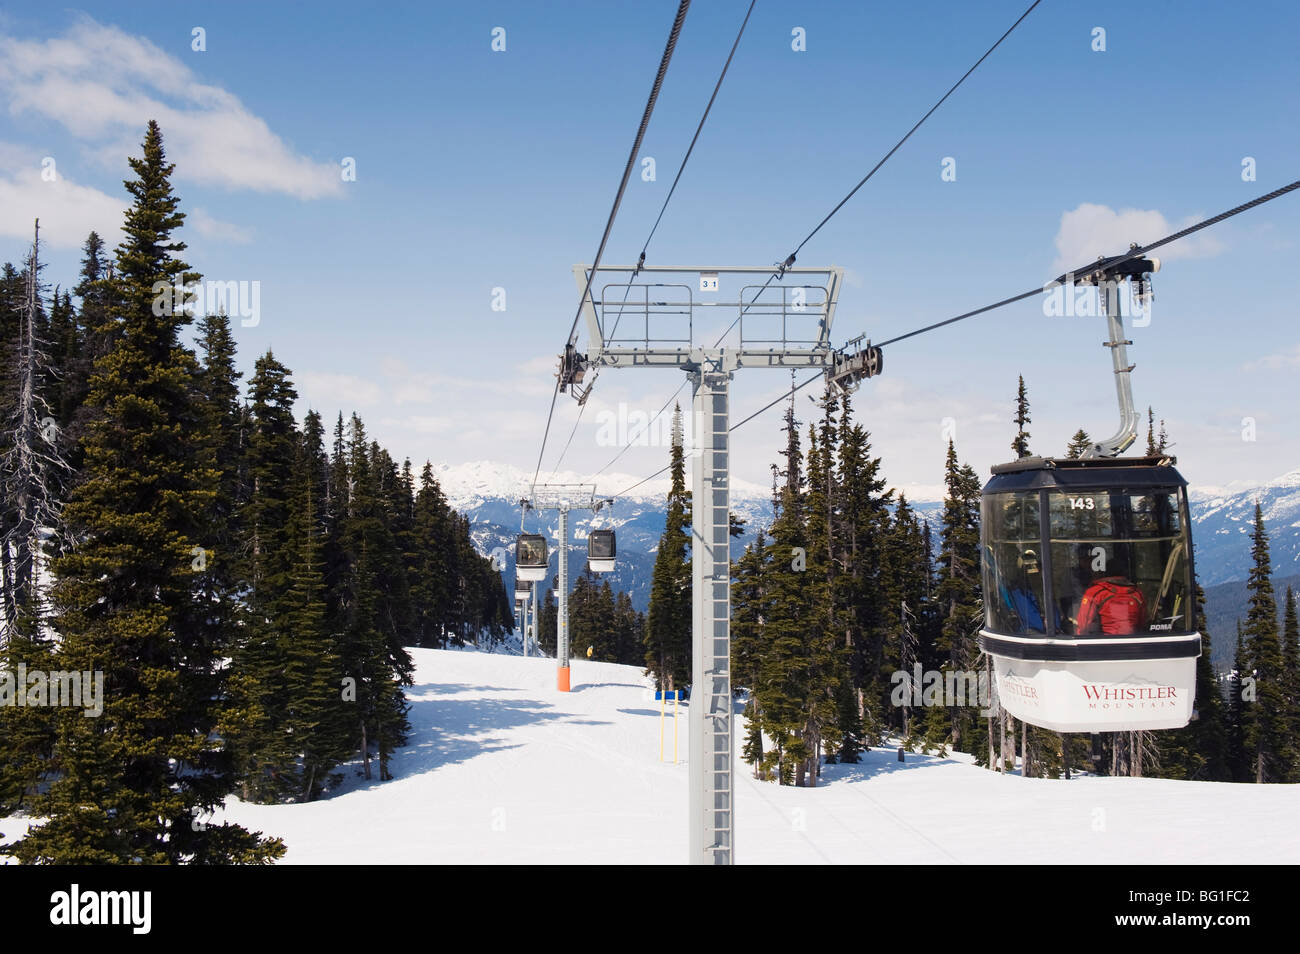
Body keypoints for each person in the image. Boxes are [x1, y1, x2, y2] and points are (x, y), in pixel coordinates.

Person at [1075, 556, 1147, 635]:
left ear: (1105, 572)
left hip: (1105, 643)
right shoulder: (1137, 593)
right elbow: (1142, 624)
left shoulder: (1095, 592)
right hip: (1133, 642)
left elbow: (1084, 626)